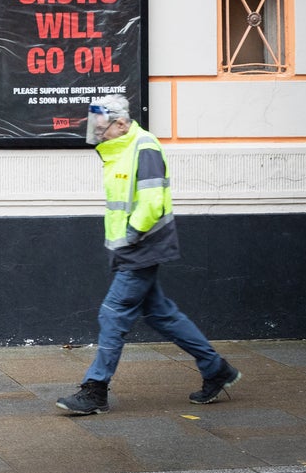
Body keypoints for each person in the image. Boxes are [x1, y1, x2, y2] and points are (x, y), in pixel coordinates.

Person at [56, 94, 241, 415]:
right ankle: (216, 369)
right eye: (95, 127)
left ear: (122, 123)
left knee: (113, 313)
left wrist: (129, 238)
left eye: (103, 128)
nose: (98, 133)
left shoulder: (144, 147)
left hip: (141, 247)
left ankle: (95, 389)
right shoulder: (120, 150)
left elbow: (153, 203)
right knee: (163, 315)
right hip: (131, 249)